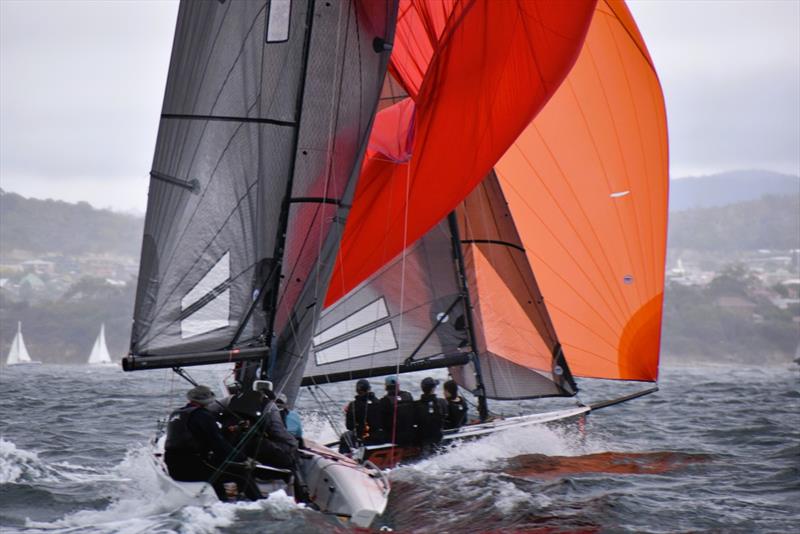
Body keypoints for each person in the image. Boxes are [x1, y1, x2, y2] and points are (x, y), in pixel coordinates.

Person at [164, 385, 261, 500]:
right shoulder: (203, 415)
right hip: (192, 468)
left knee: (215, 468)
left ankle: (222, 499)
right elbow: (219, 445)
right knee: (241, 473)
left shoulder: (177, 413)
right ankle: (260, 503)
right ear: (208, 401)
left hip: (173, 467)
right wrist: (243, 459)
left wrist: (233, 429)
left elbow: (199, 434)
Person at [339, 379, 385, 453]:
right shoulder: (379, 402)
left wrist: (348, 413)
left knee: (345, 436)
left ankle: (343, 460)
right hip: (381, 438)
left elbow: (349, 426)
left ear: (357, 390)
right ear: (369, 389)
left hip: (365, 441)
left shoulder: (353, 405)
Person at [378, 376, 416, 446]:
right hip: (411, 435)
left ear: (386, 387)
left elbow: (381, 422)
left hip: (395, 438)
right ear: (398, 385)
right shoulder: (408, 395)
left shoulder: (384, 401)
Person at [415, 377, 448, 449]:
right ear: (433, 389)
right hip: (438, 437)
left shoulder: (416, 405)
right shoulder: (442, 402)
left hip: (423, 439)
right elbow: (445, 416)